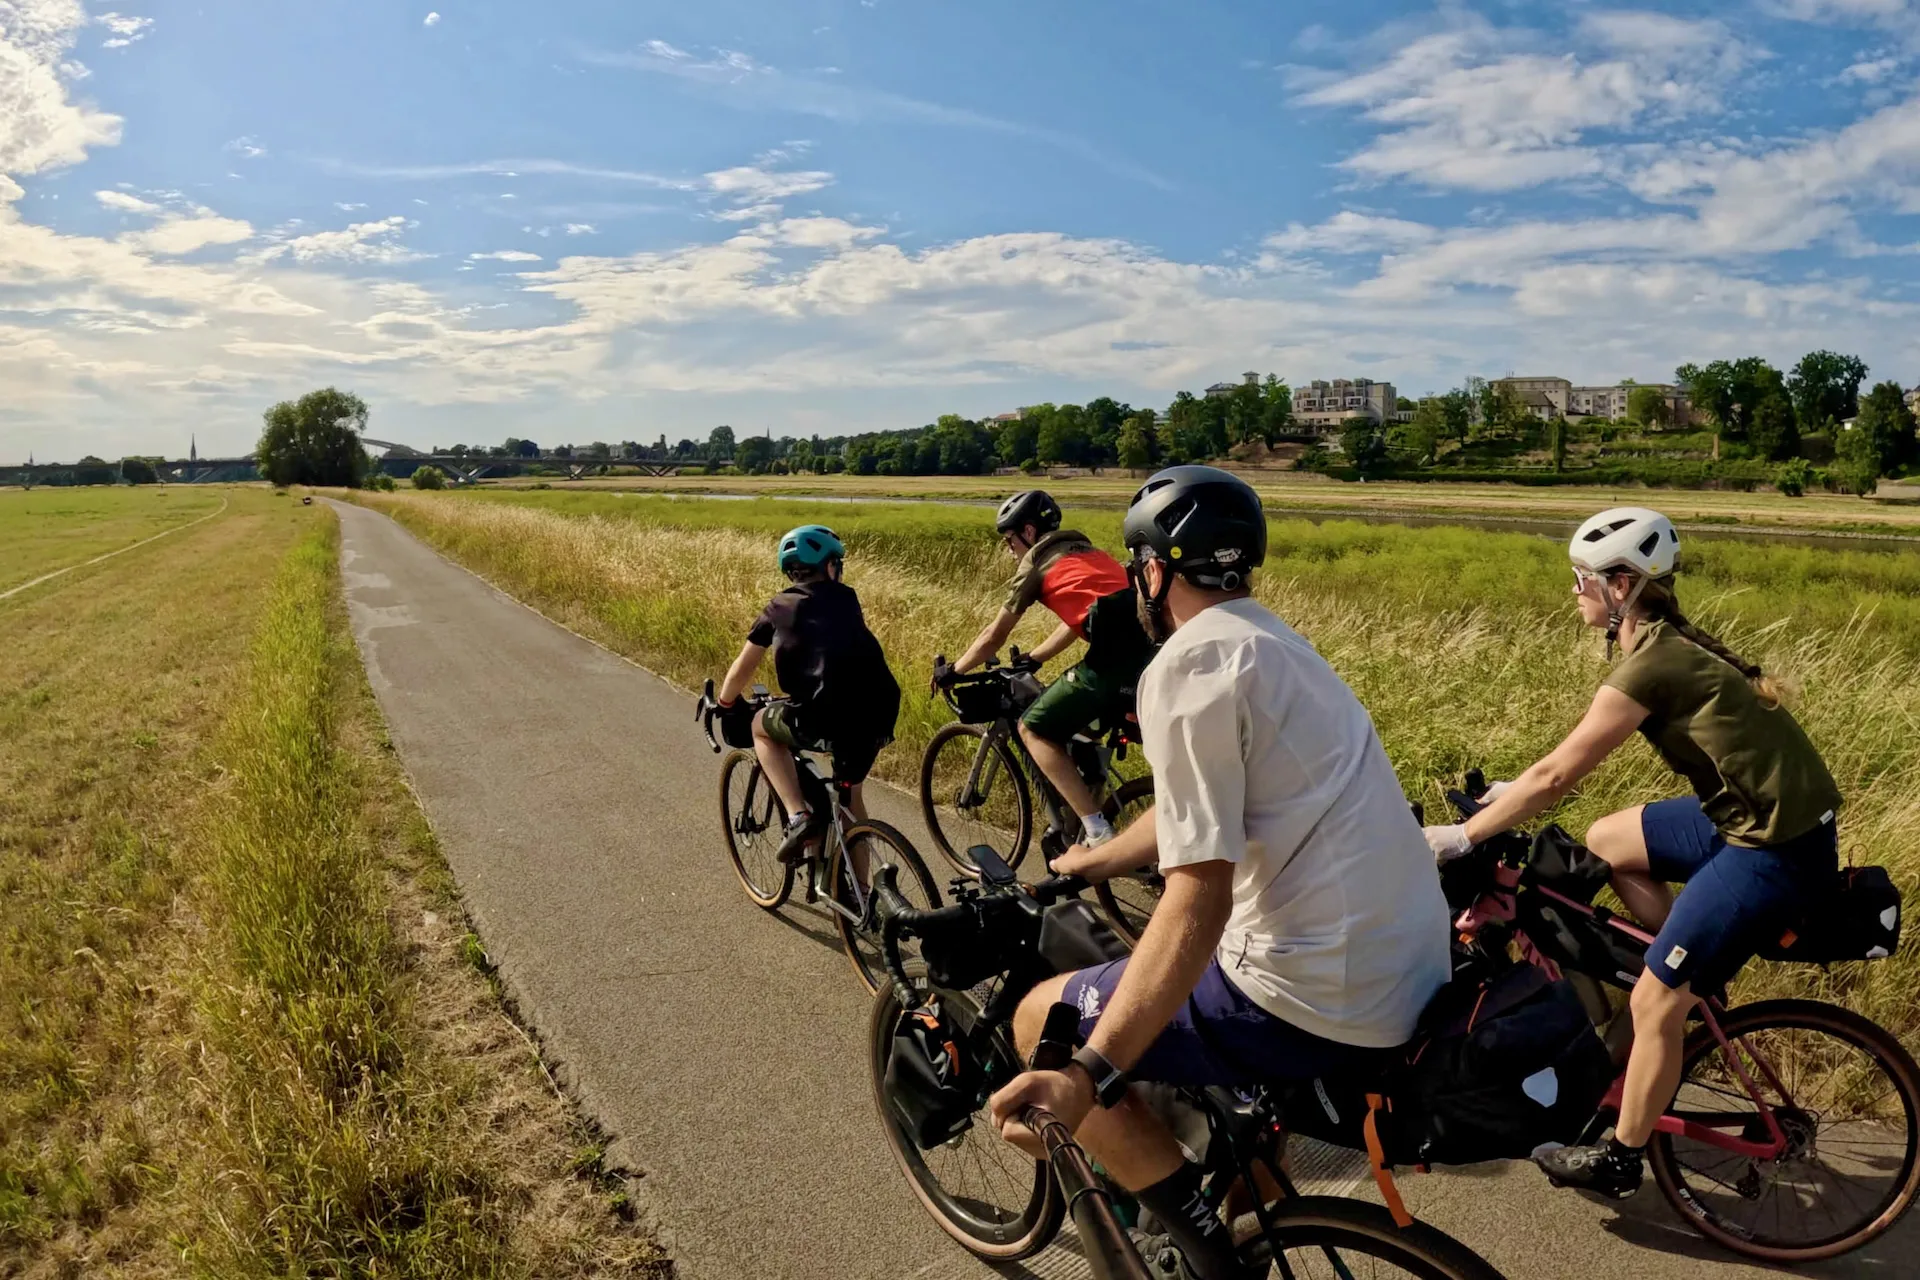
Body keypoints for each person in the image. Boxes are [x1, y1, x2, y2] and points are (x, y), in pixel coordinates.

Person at [987, 467, 1452, 1280]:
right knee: (1233, 1093)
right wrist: (1096, 858)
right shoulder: (1279, 645)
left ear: (1153, 570)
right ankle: (1246, 1213)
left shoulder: (1188, 664)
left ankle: (1195, 1250)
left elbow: (1198, 899)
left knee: (1040, 1017)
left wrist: (1088, 1073)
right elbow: (1199, 805)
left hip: (1311, 994)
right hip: (1412, 971)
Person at [1422, 506, 1842, 1199]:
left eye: (1582, 578)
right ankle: (1692, 965)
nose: (1574, 591)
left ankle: (1621, 1155)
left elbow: (1557, 776)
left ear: (1620, 585)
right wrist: (1507, 794)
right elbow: (1553, 769)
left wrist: (1465, 835)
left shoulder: (1653, 664)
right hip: (1752, 819)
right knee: (1607, 839)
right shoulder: (1659, 644)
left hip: (1774, 848)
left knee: (1652, 1001)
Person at [940, 490, 1156, 847]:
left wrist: (954, 671)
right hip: (1150, 659)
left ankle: (1097, 831)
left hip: (1112, 663)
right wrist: (1037, 656)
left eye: (1009, 540)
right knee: (1080, 733)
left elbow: (993, 636)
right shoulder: (1091, 553)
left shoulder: (1037, 561)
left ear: (1028, 531)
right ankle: (1083, 810)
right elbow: (1082, 617)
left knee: (1032, 729)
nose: (1009, 549)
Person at [714, 525, 901, 863]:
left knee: (760, 728)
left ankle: (798, 815)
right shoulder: (848, 599)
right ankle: (862, 890)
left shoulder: (779, 607)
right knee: (850, 800)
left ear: (791, 571)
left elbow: (744, 666)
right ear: (829, 566)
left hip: (822, 716)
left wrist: (725, 702)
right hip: (878, 714)